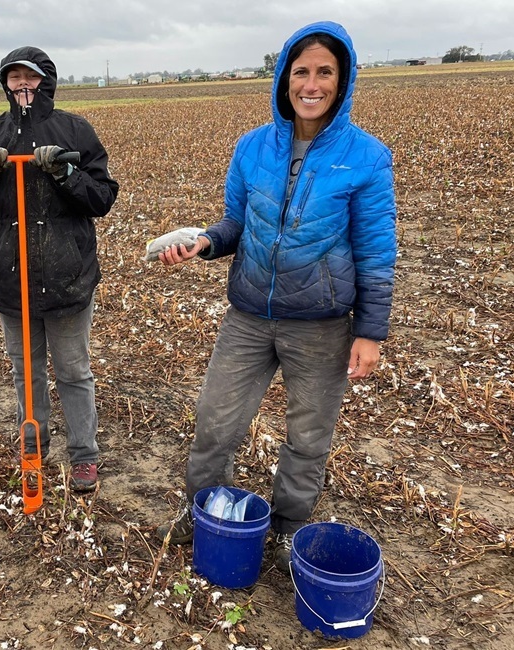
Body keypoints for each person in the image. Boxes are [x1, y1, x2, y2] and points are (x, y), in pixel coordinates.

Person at [154, 21, 397, 572]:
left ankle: (287, 526)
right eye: (301, 71)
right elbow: (235, 222)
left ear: (344, 80)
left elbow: (377, 251)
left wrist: (369, 331)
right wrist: (205, 243)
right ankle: (202, 512)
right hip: (248, 316)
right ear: (285, 78)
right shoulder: (253, 147)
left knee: (308, 435)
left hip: (321, 323)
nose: (311, 84)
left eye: (324, 73)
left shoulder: (367, 157)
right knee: (215, 421)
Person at [0, 46, 118, 492]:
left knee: (73, 371)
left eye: (31, 77)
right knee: (26, 370)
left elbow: (102, 198)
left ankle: (84, 454)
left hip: (67, 276)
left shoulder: (74, 129)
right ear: (5, 84)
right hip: (11, 278)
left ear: (47, 80)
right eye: (14, 78)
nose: (23, 85)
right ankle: (35, 444)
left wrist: (65, 174)